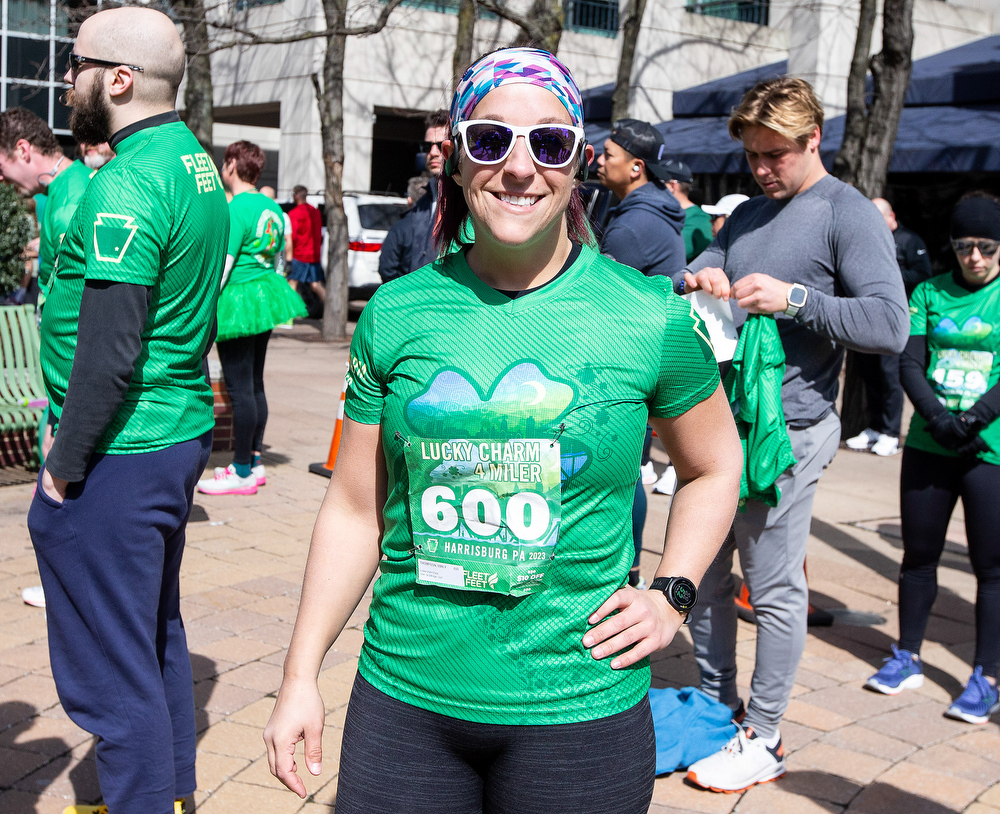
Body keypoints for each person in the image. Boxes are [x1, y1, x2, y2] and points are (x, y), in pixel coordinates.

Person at [263, 47, 743, 814]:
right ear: (455, 160)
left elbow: (716, 467)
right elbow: (353, 510)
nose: (519, 167)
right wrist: (298, 678)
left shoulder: (649, 317)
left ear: (579, 164)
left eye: (548, 144)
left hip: (579, 714)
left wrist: (672, 595)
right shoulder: (397, 313)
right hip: (407, 702)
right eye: (490, 140)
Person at [677, 76, 908, 793]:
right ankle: (718, 710)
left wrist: (795, 299)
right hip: (721, 424)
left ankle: (765, 735)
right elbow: (721, 257)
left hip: (791, 431)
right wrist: (701, 275)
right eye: (752, 156)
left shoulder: (847, 214)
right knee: (704, 577)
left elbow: (889, 325)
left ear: (814, 140)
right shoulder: (749, 210)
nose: (762, 170)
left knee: (772, 587)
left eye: (775, 155)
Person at [25, 7, 229, 814]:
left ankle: (144, 799)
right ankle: (169, 793)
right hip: (172, 432)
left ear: (117, 79)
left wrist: (61, 473)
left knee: (110, 675)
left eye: (76, 62)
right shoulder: (192, 162)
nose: (66, 78)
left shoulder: (129, 181)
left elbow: (108, 354)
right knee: (150, 635)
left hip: (122, 445)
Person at [865, 194, 1000, 725]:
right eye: (964, 246)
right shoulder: (927, 291)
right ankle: (907, 655)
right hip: (928, 443)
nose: (974, 258)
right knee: (918, 557)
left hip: (988, 449)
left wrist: (973, 420)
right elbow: (911, 363)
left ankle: (986, 674)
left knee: (991, 568)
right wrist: (941, 420)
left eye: (986, 247)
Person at [197, 141, 306, 496]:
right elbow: (276, 257)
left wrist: (203, 302)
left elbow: (223, 265)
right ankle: (254, 461)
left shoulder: (236, 208)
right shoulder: (273, 207)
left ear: (230, 165)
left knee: (239, 388)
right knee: (255, 385)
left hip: (238, 301)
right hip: (265, 297)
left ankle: (241, 468)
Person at [847, 197, 936, 456]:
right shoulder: (867, 240)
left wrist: (889, 276)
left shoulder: (910, 241)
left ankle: (891, 433)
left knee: (890, 376)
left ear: (891, 217)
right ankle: (875, 427)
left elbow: (923, 275)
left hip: (897, 319)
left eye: (878, 217)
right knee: (869, 373)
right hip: (868, 317)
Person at [0, 107, 95, 298]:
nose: (1, 178)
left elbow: (79, 296)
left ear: (22, 150)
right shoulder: (59, 189)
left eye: (1, 168)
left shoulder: (70, 202)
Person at [595, 118, 685, 277]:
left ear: (636, 168)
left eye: (608, 155)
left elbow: (601, 294)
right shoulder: (653, 210)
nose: (600, 160)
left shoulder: (630, 227)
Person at [378, 109, 449, 282]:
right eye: (427, 146)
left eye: (440, 145)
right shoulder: (423, 205)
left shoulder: (472, 201)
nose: (432, 152)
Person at [663, 158, 713, 262]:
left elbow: (668, 255)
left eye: (658, 183)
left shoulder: (699, 220)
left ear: (673, 185)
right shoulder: (663, 214)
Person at [287, 184, 326, 301]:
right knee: (315, 284)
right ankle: (332, 310)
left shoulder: (294, 213)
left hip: (299, 255)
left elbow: (291, 237)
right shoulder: (315, 212)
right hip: (314, 256)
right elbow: (319, 233)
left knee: (292, 283)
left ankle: (288, 317)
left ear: (297, 196)